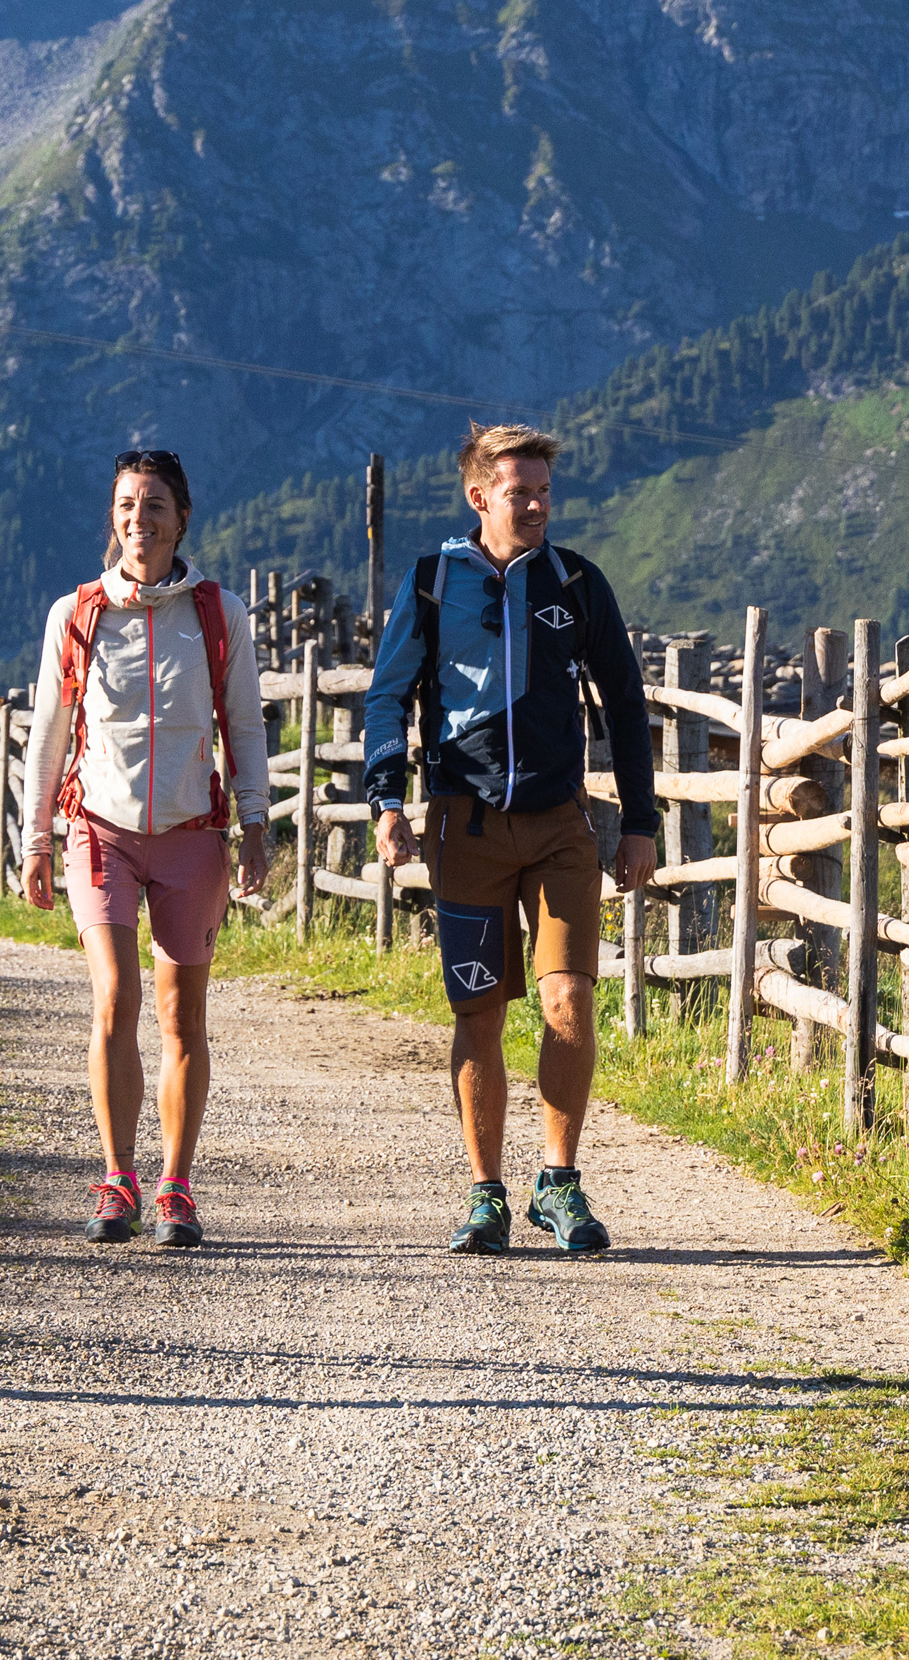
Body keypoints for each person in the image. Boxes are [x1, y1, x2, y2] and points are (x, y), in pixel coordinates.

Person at [361, 424, 660, 1256]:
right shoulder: (431, 583)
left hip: (563, 827)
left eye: (543, 492)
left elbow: (626, 707)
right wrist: (388, 799)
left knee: (568, 1001)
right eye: (518, 490)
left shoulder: (577, 582)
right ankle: (486, 1194)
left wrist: (639, 821)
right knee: (481, 1012)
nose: (534, 505)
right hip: (467, 826)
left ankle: (558, 1185)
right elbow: (388, 698)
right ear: (478, 495)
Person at [19, 449, 270, 1247]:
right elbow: (49, 735)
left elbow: (246, 725)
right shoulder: (79, 613)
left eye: (155, 505)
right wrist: (34, 840)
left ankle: (176, 1187)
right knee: (114, 998)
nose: (139, 519)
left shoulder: (219, 614)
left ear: (182, 518)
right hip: (100, 831)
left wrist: (256, 823)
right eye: (127, 505)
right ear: (113, 517)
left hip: (193, 836)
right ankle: (116, 1176)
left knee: (181, 1017)